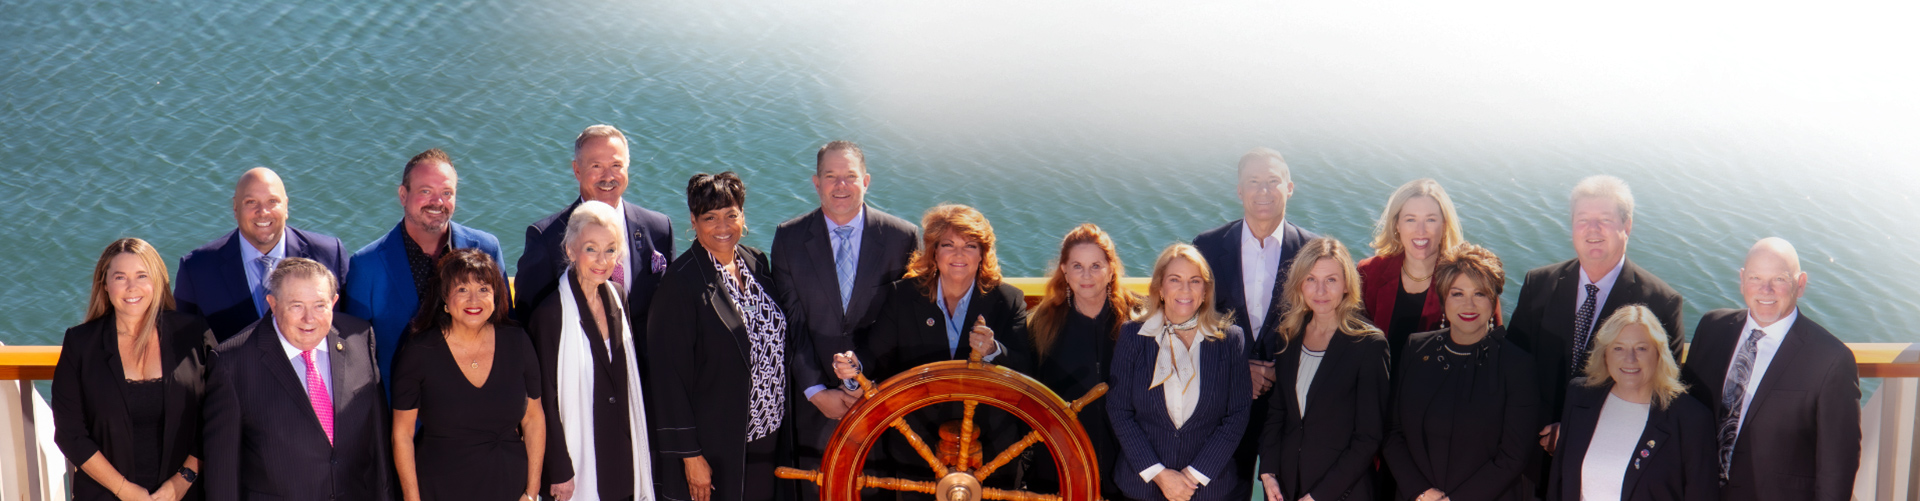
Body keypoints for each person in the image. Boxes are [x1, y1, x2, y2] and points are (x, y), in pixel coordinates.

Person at [831, 204, 1032, 489]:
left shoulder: (1007, 300)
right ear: (934, 252)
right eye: (948, 245)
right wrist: (853, 368)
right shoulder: (903, 296)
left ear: (982, 254)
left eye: (970, 246)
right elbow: (874, 356)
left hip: (990, 446)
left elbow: (1026, 369)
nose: (959, 254)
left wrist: (993, 351)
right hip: (916, 441)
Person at [768, 141, 919, 499]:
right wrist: (817, 390)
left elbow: (904, 320)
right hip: (815, 403)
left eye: (850, 177)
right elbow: (791, 320)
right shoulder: (788, 237)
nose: (840, 186)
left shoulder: (902, 237)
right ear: (816, 182)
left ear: (866, 180)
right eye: (831, 176)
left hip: (879, 399)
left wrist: (871, 389)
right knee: (816, 489)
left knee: (877, 489)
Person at [1506, 175, 1685, 458]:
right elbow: (1513, 365)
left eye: (1604, 219)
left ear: (1627, 226)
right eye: (1582, 219)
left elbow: (1659, 395)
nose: (1592, 229)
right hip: (1530, 447)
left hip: (1605, 453)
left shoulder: (1661, 303)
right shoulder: (1538, 283)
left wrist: (1580, 428)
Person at [1677, 238, 1859, 501]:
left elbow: (1837, 469)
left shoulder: (1831, 360)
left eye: (1779, 279)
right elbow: (1686, 415)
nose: (1766, 290)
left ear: (1801, 283)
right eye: (1755, 278)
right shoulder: (1712, 327)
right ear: (1742, 280)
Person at [648, 172, 791, 501]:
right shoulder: (679, 285)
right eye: (710, 217)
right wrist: (691, 457)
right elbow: (668, 380)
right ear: (693, 222)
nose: (722, 226)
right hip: (718, 445)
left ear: (743, 216)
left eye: (731, 214)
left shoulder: (756, 263)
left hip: (769, 435)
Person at [200, 258, 392, 501]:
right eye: (296, 306)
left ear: (334, 302)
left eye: (320, 305)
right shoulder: (232, 363)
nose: (309, 319)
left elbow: (378, 444)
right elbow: (222, 475)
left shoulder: (360, 338)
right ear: (273, 304)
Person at [1190, 147, 1319, 500]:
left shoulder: (1314, 251)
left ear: (1289, 187)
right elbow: (1191, 323)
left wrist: (1283, 369)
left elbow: (1325, 324)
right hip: (1226, 404)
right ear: (1239, 190)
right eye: (1254, 182)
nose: (1264, 190)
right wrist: (1236, 369)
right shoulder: (1207, 247)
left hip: (1292, 407)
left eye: (1273, 181)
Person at [52, 238, 214, 501]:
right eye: (120, 277)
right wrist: (125, 491)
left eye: (142, 275)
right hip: (105, 495)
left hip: (187, 494)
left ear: (158, 281)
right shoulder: (80, 344)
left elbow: (217, 415)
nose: (131, 287)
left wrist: (182, 481)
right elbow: (71, 433)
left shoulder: (193, 334)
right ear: (105, 285)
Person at [1381, 244, 1539, 501]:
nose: (1469, 304)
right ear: (1444, 298)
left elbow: (1513, 455)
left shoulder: (1518, 365)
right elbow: (1392, 431)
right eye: (1457, 293)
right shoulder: (1415, 347)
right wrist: (1421, 492)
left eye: (1480, 294)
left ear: (1493, 300)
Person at [342, 148, 505, 393]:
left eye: (447, 193)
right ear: (403, 195)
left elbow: (503, 329)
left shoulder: (486, 249)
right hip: (403, 416)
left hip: (478, 408)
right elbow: (355, 359)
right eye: (426, 191)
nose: (437, 202)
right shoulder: (366, 266)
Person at [391, 249, 545, 501]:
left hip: (511, 486)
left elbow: (534, 418)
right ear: (445, 298)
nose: (474, 299)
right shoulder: (419, 351)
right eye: (462, 290)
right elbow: (402, 435)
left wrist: (531, 491)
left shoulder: (517, 341)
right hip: (440, 488)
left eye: (484, 289)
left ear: (496, 295)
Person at [528, 201, 654, 501]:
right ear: (571, 250)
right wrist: (559, 469)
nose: (602, 260)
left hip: (623, 451)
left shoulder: (619, 297)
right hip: (577, 459)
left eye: (610, 249)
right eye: (591, 249)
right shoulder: (550, 314)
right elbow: (545, 398)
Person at [1107, 243, 1251, 501]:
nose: (1185, 290)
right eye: (1175, 280)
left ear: (1205, 291)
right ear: (1160, 288)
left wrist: (1193, 476)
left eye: (1195, 281)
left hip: (1209, 489)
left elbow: (1237, 415)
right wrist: (1160, 475)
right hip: (1142, 488)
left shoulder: (1230, 340)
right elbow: (1119, 411)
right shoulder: (1133, 336)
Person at [1257, 237, 1389, 501]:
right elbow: (1278, 411)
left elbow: (1368, 438)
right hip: (1286, 486)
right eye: (1310, 279)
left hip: (1341, 492)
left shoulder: (1369, 345)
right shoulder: (1289, 334)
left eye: (1331, 280)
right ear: (1300, 285)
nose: (1320, 291)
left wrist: (1318, 496)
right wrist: (1268, 472)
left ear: (1346, 285)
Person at [515, 125, 675, 340]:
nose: (608, 176)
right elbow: (529, 322)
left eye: (616, 165)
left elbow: (674, 306)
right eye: (596, 166)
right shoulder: (545, 237)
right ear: (577, 170)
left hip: (647, 369)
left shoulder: (659, 229)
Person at [1546, 305, 1718, 501]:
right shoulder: (1580, 395)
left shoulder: (1692, 418)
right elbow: (1558, 481)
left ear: (1659, 354)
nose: (1630, 359)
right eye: (1618, 348)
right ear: (1605, 354)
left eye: (1641, 348)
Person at [1023, 223, 1142, 495]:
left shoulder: (1139, 320)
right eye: (1077, 266)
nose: (1086, 275)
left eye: (1096, 266)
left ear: (1112, 269)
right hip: (1061, 464)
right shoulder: (1041, 325)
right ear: (1064, 270)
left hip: (1130, 466)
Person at [176, 167, 349, 342]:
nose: (263, 212)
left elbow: (345, 330)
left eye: (272, 201)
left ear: (286, 206)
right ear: (235, 208)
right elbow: (184, 343)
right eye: (251, 202)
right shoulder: (197, 268)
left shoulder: (330, 254)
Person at [1355, 179, 1467, 361]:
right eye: (1410, 219)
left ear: (1445, 225)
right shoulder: (1369, 272)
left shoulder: (1468, 283)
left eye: (1430, 219)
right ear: (1397, 225)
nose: (1420, 230)